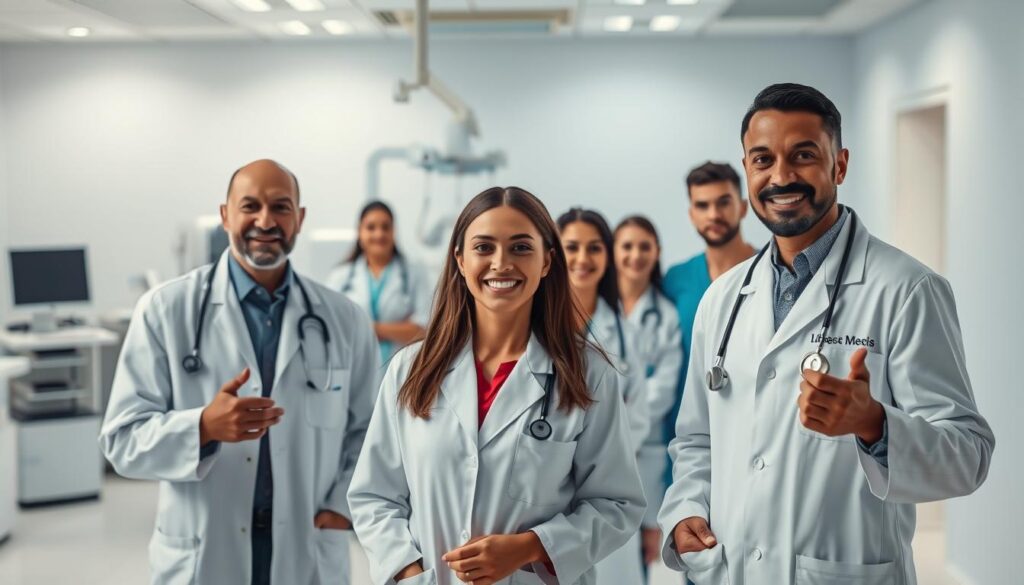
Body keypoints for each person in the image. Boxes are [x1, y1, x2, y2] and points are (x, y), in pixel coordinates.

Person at [658, 83, 995, 585]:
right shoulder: (722, 298)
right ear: (747, 170)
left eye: (803, 156)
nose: (781, 176)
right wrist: (685, 509)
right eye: (762, 159)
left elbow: (968, 456)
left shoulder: (907, 289)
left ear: (839, 165)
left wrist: (875, 424)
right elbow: (695, 439)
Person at [100, 159, 380, 585]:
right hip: (205, 546)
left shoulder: (344, 319)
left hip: (307, 542)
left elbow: (369, 433)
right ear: (225, 215)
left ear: (299, 219)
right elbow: (121, 441)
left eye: (281, 207)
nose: (265, 221)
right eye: (250, 206)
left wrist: (343, 506)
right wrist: (201, 427)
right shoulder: (165, 310)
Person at [347, 186, 645, 585]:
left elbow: (616, 504)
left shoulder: (588, 375)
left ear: (546, 262)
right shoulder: (410, 370)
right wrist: (407, 571)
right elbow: (374, 497)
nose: (501, 264)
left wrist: (531, 547)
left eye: (521, 248)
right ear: (459, 260)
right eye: (483, 247)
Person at [557, 207, 648, 585]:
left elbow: (638, 415)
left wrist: (599, 446)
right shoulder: (532, 328)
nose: (582, 259)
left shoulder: (624, 332)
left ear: (607, 256)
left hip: (605, 488)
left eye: (594, 248)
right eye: (571, 247)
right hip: (548, 491)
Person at [660, 161, 757, 484]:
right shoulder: (676, 280)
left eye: (723, 202)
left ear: (743, 207)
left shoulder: (772, 273)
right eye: (702, 205)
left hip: (754, 436)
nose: (713, 214)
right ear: (691, 214)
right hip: (686, 442)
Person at [613, 216, 683, 576]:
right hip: (598, 455)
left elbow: (663, 388)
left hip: (646, 457)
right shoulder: (594, 312)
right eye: (627, 245)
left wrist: (616, 420)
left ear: (656, 253)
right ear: (614, 251)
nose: (635, 255)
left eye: (644, 246)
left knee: (636, 566)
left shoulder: (665, 316)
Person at [325, 201, 431, 363]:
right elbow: (330, 326)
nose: (379, 234)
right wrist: (400, 328)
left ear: (394, 232)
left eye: (385, 227)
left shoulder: (414, 273)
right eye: (371, 227)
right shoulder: (340, 276)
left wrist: (370, 328)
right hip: (353, 368)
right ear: (359, 232)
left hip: (403, 368)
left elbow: (423, 330)